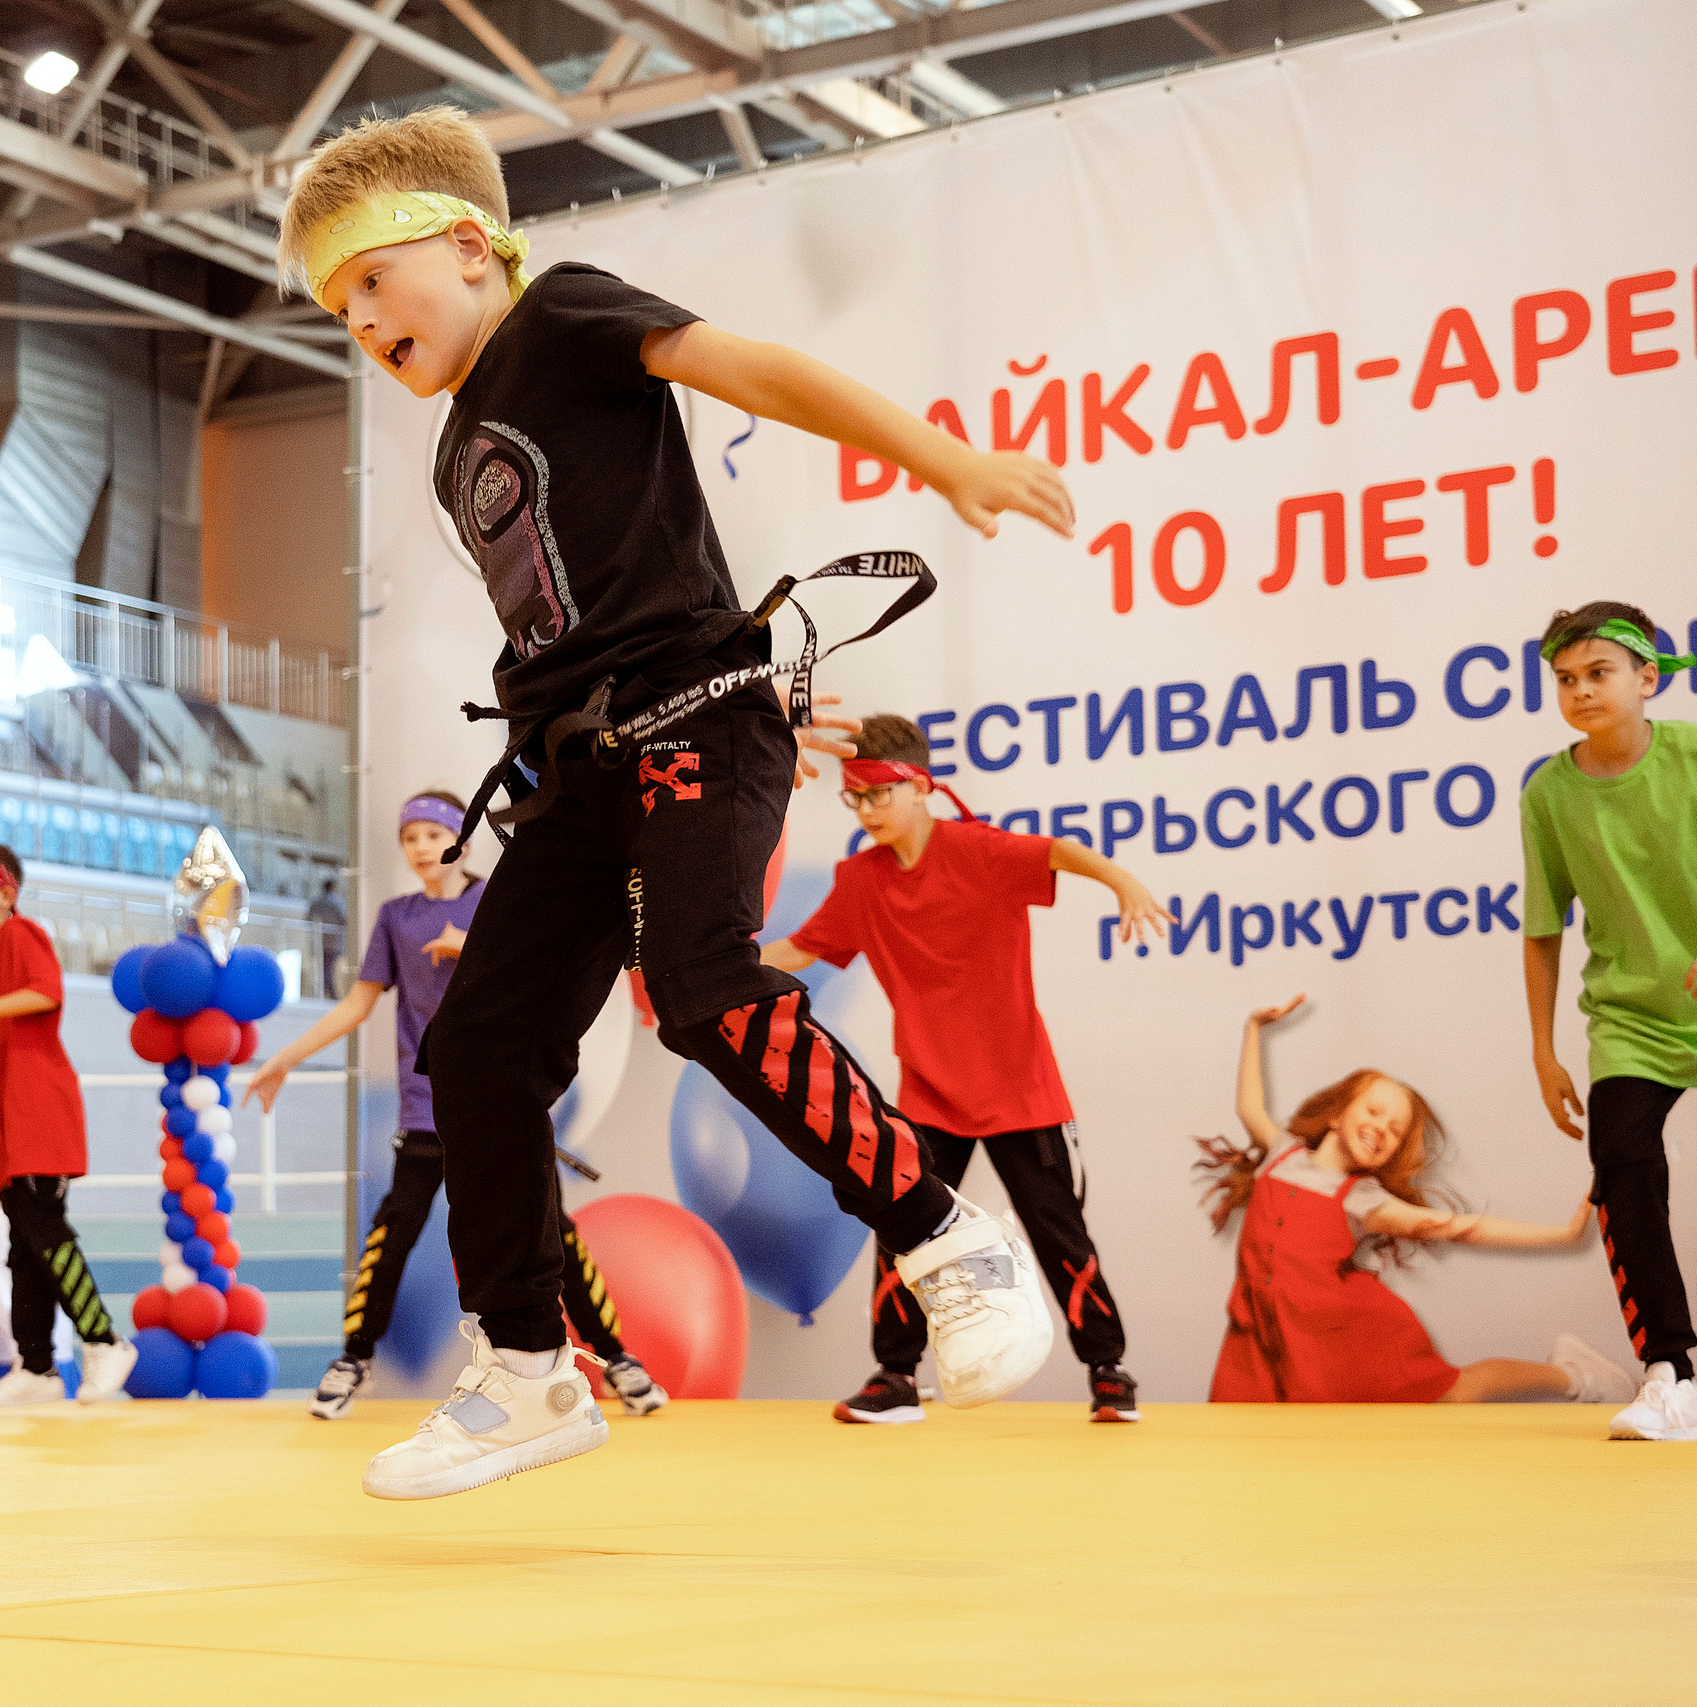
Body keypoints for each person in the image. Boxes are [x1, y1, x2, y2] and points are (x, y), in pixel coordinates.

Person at [275, 108, 1070, 1498]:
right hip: (580, 772)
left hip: (696, 715)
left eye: (371, 284)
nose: (361, 324)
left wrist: (940, 459)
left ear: (467, 246)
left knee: (700, 991)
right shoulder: (457, 444)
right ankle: (528, 1368)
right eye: (338, 312)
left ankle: (947, 1239)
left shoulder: (565, 315)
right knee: (478, 1048)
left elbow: (752, 368)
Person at [761, 715, 1166, 1426]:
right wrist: (708, 967)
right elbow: (799, 949)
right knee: (903, 1231)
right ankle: (895, 1376)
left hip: (1022, 1093)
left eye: (878, 793)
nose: (865, 809)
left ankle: (1109, 1369)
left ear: (920, 786)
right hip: (928, 1095)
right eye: (854, 797)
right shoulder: (860, 880)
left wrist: (1123, 881)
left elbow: (1060, 852)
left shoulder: (982, 851)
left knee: (1059, 1235)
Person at [250, 791, 667, 1420]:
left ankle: (616, 1357)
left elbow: (550, 978)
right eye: (409, 837)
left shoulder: (498, 902)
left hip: (504, 1103)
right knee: (394, 1233)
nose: (420, 848)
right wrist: (284, 1058)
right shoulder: (396, 917)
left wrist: (469, 946)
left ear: (462, 842)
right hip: (426, 1108)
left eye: (432, 834)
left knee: (553, 1234)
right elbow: (359, 1004)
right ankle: (354, 1359)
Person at [1200, 995, 1630, 1405]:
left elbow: (1460, 1228)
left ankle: (1576, 1376)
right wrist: (1253, 1027)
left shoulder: (1363, 1200)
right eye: (1373, 1111)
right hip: (1259, 1336)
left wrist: (1562, 1234)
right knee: (1245, 1431)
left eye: (1395, 1130)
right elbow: (1249, 1106)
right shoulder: (1282, 1154)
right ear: (1336, 1114)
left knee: (1453, 1392)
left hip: (1338, 1338)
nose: (1381, 1128)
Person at [1520, 601, 1697, 1441]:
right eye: (1565, 679)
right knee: (1622, 1161)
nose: (1581, 690)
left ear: (1647, 677)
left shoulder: (1690, 757)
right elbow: (1542, 927)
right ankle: (1674, 1371)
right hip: (1632, 1020)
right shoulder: (1549, 793)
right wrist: (1543, 1050)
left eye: (1598, 673)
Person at [0, 840, 137, 1405]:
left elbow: (45, 993)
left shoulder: (24, 935)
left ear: (6, 893)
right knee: (21, 1243)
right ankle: (37, 1367)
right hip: (2, 1111)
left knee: (44, 1230)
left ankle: (104, 1339)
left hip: (39, 1107)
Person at [0, 1138, 79, 1401]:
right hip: (51, 1347)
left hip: (10, 1353)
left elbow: (2, 1293)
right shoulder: (38, 1215)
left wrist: (22, 1356)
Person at [308, 877, 348, 998]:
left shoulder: (316, 903)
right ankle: (328, 991)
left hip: (319, 940)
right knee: (329, 967)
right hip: (332, 941)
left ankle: (326, 989)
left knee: (324, 967)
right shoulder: (336, 903)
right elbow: (343, 919)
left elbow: (308, 918)